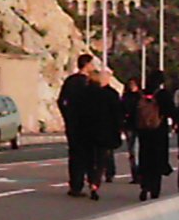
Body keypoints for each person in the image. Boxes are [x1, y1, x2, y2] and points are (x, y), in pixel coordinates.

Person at [58, 54, 95, 197]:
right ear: (86, 65)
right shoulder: (87, 83)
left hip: (72, 124)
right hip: (86, 124)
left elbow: (61, 101)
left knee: (74, 155)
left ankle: (75, 185)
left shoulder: (70, 81)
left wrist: (67, 116)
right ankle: (89, 182)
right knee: (87, 155)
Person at [137, 70, 174, 201]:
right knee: (157, 159)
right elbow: (171, 110)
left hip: (143, 131)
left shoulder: (141, 94)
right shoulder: (162, 95)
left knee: (145, 158)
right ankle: (154, 189)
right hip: (158, 130)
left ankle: (144, 185)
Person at [87, 70, 122, 201]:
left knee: (90, 158)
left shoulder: (89, 94)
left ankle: (92, 180)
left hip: (89, 131)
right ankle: (95, 183)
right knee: (101, 159)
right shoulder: (112, 95)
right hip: (105, 132)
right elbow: (117, 115)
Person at [121, 77, 141, 184]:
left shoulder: (140, 96)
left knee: (137, 150)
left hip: (139, 126)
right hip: (129, 126)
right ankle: (135, 174)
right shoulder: (126, 97)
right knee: (132, 151)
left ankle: (139, 173)